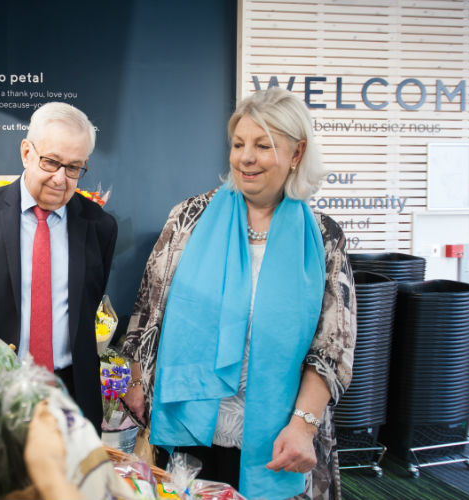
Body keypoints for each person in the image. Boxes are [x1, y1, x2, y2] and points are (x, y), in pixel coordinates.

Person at [121, 87, 356, 500]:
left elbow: (333, 347)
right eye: (239, 144)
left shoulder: (323, 238)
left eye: (263, 146)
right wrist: (136, 381)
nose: (246, 157)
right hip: (187, 423)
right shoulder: (188, 218)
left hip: (278, 435)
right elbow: (148, 307)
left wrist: (303, 424)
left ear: (296, 153)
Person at [0, 102, 118, 432]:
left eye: (73, 168)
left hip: (71, 397)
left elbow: (88, 305)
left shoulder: (100, 227)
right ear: (26, 152)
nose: (60, 178)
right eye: (50, 162)